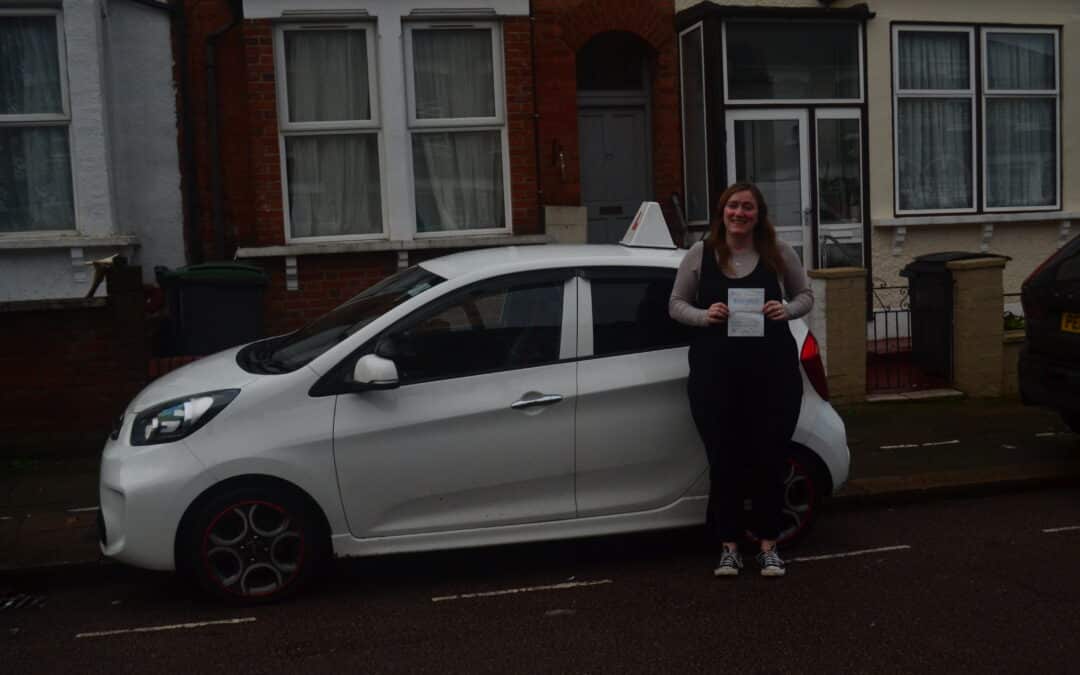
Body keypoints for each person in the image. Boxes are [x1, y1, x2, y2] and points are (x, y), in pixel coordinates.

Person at [669, 182, 814, 578]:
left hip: (772, 377)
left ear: (758, 213)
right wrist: (704, 315)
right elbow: (675, 305)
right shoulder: (701, 254)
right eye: (733, 206)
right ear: (722, 211)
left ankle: (769, 547)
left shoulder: (779, 253)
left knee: (769, 459)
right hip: (717, 378)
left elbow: (806, 296)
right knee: (725, 461)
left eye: (747, 207)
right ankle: (729, 547)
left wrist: (785, 309)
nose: (739, 213)